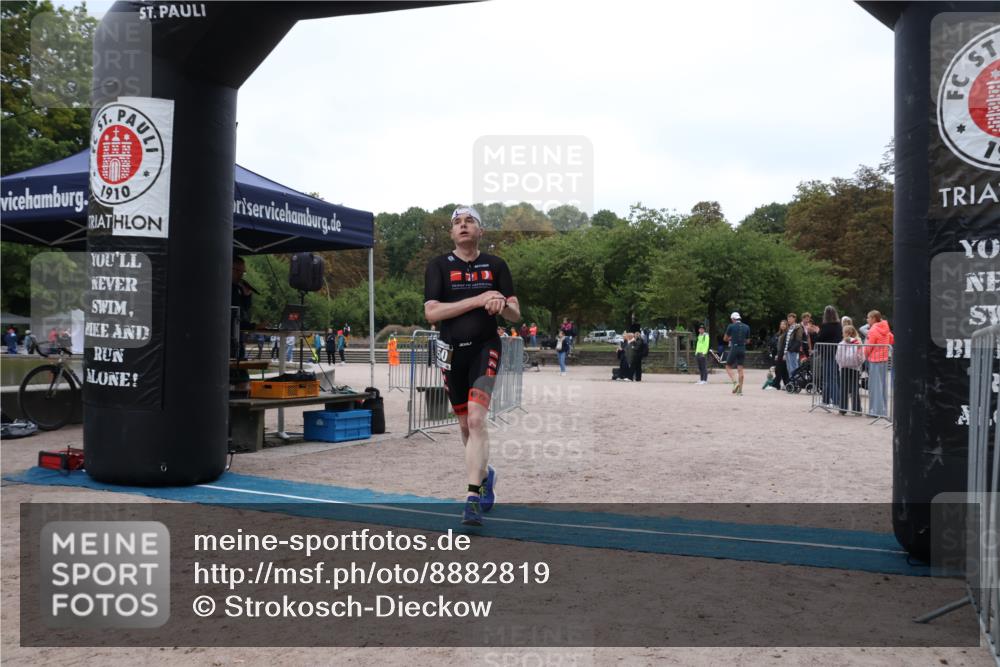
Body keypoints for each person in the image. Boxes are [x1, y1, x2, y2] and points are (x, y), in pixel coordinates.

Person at [424, 205, 520, 527]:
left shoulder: (496, 265)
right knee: (465, 427)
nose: (463, 226)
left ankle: (471, 497)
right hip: (450, 352)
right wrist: (479, 300)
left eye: (470, 221)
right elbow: (433, 314)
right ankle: (485, 474)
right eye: (457, 223)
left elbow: (516, 314)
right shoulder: (438, 266)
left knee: (477, 421)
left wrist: (501, 303)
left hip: (484, 348)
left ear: (480, 231)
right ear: (452, 233)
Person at [865, 310, 894, 418]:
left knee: (874, 386)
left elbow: (869, 346)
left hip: (874, 360)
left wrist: (866, 355)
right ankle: (882, 410)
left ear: (873, 319)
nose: (867, 320)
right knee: (882, 386)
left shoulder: (873, 330)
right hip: (884, 359)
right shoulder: (886, 328)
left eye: (868, 318)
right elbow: (891, 339)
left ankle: (875, 411)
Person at [816, 305, 843, 407]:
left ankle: (835, 401)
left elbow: (820, 339)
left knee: (829, 378)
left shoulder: (826, 326)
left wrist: (817, 332)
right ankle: (826, 400)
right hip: (836, 353)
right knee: (830, 377)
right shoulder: (838, 325)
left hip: (828, 353)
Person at [836, 325, 864, 414]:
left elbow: (838, 357)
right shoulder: (858, 343)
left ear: (846, 333)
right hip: (855, 368)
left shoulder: (841, 344)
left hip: (844, 367)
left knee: (843, 388)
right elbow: (861, 357)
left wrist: (840, 365)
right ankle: (857, 409)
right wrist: (859, 365)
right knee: (855, 388)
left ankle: (842, 409)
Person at [231, 255, 254, 360]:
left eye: (243, 272)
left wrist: (247, 296)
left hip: (238, 337)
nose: (242, 275)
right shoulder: (228, 289)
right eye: (241, 271)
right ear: (232, 269)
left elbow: (244, 310)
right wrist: (253, 326)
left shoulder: (238, 288)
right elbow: (234, 315)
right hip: (230, 338)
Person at [723, 311, 750, 395]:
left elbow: (725, 339)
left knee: (728, 366)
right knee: (740, 369)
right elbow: (748, 341)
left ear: (733, 319)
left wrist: (731, 338)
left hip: (734, 347)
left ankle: (735, 382)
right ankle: (740, 391)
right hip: (742, 348)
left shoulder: (731, 326)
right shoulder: (747, 327)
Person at [769, 320, 790, 390]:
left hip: (783, 353)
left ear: (787, 325)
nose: (782, 326)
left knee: (780, 369)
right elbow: (773, 343)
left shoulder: (787, 334)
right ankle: (786, 384)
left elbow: (785, 345)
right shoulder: (777, 334)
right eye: (781, 324)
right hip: (777, 353)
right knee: (782, 370)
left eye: (784, 324)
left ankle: (776, 384)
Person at [784, 313, 803, 378]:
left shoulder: (798, 327)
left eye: (790, 318)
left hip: (792, 350)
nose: (788, 320)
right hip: (787, 350)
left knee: (794, 367)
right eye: (788, 319)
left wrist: (792, 349)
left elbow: (798, 340)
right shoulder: (789, 328)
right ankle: (792, 382)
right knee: (789, 368)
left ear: (794, 319)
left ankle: (796, 381)